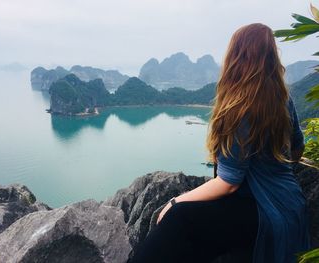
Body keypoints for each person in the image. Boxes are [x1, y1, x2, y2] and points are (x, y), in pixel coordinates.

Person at [129, 23, 312, 263]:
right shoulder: (283, 98)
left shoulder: (239, 107)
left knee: (178, 218)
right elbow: (297, 149)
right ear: (270, 58)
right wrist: (269, 167)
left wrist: (174, 202)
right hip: (290, 205)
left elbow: (228, 183)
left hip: (262, 212)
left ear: (236, 56)